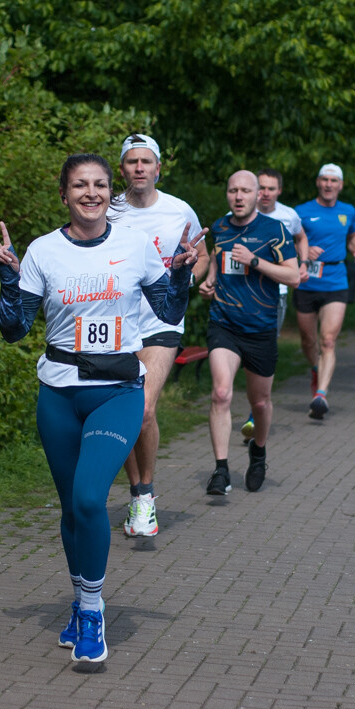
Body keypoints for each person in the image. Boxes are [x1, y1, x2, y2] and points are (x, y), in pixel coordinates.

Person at [0, 153, 201, 663]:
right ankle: (82, 600)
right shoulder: (42, 251)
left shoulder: (133, 247)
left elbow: (167, 312)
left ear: (112, 193)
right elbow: (14, 330)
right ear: (63, 194)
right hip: (59, 392)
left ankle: (90, 609)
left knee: (88, 499)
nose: (91, 193)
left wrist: (181, 275)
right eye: (80, 185)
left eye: (100, 185)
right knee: (71, 511)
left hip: (117, 390)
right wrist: (8, 279)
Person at [108, 134, 210, 538]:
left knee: (144, 409)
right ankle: (136, 493)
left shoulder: (177, 210)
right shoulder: (108, 209)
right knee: (125, 411)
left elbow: (201, 255)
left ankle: (145, 496)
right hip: (116, 321)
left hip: (162, 321)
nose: (139, 168)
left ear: (158, 168)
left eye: (146, 161)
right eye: (131, 161)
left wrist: (189, 278)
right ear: (122, 170)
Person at [198, 170, 299, 495]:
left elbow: (294, 276)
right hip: (224, 323)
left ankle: (258, 452)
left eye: (245, 191)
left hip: (260, 328)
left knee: (260, 402)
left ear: (258, 196)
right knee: (222, 393)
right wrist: (211, 278)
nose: (238, 196)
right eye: (233, 190)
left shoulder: (275, 230)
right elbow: (217, 255)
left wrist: (255, 261)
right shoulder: (221, 226)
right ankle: (221, 470)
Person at [238, 168, 307, 440]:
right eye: (261, 187)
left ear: (279, 191)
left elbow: (301, 237)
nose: (265, 193)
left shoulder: (288, 216)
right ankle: (256, 404)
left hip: (275, 293)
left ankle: (256, 411)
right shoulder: (242, 213)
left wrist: (301, 265)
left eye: (271, 188)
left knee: (263, 350)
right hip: (242, 291)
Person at [293, 163, 355, 419]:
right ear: (318, 183)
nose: (328, 185)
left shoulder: (348, 211)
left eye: (333, 181)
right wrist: (304, 250)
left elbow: (352, 236)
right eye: (324, 180)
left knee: (328, 340)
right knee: (308, 340)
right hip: (306, 282)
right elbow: (287, 242)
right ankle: (316, 369)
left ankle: (321, 395)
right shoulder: (301, 211)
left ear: (340, 185)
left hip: (336, 280)